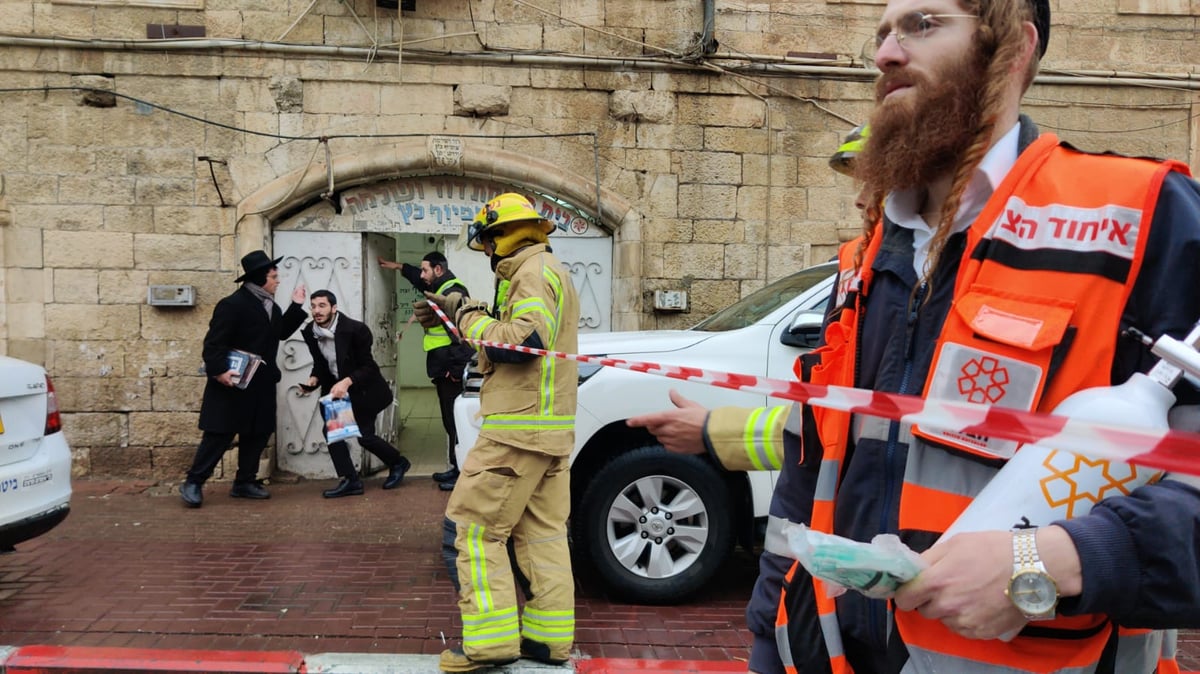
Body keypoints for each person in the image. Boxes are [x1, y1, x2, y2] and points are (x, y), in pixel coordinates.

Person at [629, 1, 1200, 672]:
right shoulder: (870, 258)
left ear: (1012, 48)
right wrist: (769, 641)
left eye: (922, 25)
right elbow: (810, 475)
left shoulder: (1140, 219)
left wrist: (1056, 560)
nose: (886, 54)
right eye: (882, 33)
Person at [413, 192, 580, 672]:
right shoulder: (548, 271)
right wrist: (459, 309)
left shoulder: (529, 274)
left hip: (516, 433)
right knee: (542, 536)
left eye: (486, 243)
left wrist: (465, 316)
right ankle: (547, 642)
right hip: (547, 432)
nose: (486, 253)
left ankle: (489, 645)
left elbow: (522, 343)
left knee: (473, 531)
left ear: (499, 238)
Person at [180, 250, 308, 508]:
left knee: (257, 433)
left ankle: (245, 482)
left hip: (260, 384)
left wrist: (296, 306)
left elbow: (280, 333)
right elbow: (214, 343)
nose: (278, 280)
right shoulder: (232, 304)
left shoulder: (271, 306)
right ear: (261, 278)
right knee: (219, 434)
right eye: (274, 276)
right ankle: (193, 482)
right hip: (232, 382)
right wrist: (219, 372)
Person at [298, 289, 412, 497]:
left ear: (334, 308)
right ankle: (351, 480)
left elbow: (369, 367)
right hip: (337, 393)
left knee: (365, 437)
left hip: (364, 390)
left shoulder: (356, 330)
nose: (316, 311)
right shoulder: (310, 331)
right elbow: (322, 363)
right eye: (313, 306)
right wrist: (314, 379)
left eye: (322, 306)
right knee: (333, 435)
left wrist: (347, 382)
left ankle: (398, 462)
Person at [379, 251, 474, 491]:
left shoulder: (454, 293)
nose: (422, 275)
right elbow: (418, 279)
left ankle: (462, 472)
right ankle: (455, 467)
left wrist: (455, 371)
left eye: (425, 270)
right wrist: (399, 266)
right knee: (448, 421)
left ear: (438, 270)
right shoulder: (439, 285)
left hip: (450, 369)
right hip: (442, 367)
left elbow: (462, 336)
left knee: (455, 424)